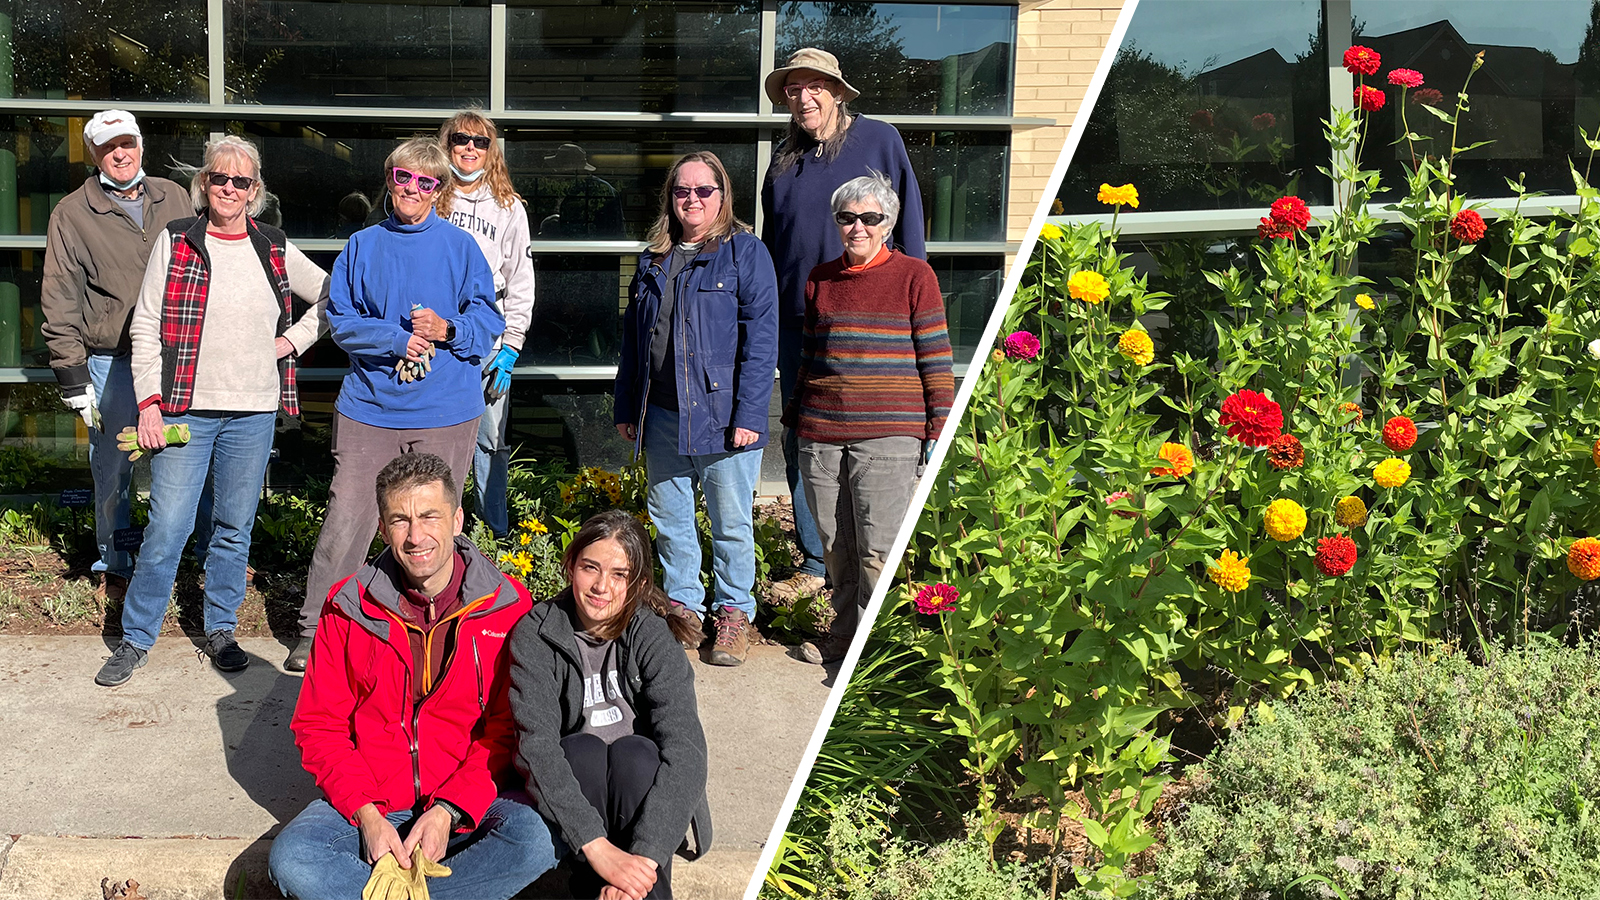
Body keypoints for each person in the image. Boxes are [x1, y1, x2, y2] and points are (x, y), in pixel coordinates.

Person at [93, 137, 328, 687]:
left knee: (232, 528)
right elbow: (146, 324)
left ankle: (220, 628)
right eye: (219, 178)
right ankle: (136, 638)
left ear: (255, 190)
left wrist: (292, 341)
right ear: (204, 184)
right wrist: (149, 401)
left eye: (240, 181)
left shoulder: (273, 245)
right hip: (185, 412)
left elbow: (336, 297)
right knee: (168, 527)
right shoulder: (178, 241)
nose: (228, 188)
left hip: (252, 412)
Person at [270, 453, 555, 899]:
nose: (416, 535)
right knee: (295, 861)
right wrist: (368, 816)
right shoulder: (349, 607)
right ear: (383, 529)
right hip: (375, 800)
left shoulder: (508, 605)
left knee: (537, 841)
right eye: (400, 520)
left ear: (458, 519)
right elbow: (319, 726)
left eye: (429, 516)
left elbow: (508, 728)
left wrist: (448, 810)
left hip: (469, 799)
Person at [287, 137, 504, 672]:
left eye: (426, 182)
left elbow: (488, 323)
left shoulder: (461, 249)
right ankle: (318, 629)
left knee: (434, 523)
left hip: (447, 410)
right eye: (403, 177)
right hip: (370, 410)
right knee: (349, 518)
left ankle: (438, 625)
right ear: (389, 180)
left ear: (439, 190)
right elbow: (339, 319)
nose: (413, 189)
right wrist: (395, 339)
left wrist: (448, 327)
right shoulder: (362, 246)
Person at [760, 48, 927, 608]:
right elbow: (775, 244)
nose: (803, 98)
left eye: (814, 87)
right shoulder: (783, 160)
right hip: (795, 318)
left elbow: (911, 230)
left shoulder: (880, 139)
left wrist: (913, 293)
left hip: (868, 317)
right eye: (792, 90)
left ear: (837, 92)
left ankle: (874, 564)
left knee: (873, 442)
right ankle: (818, 560)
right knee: (802, 436)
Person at [613, 151, 778, 667]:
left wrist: (751, 415)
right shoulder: (653, 258)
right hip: (660, 413)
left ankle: (733, 615)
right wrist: (627, 404)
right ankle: (684, 608)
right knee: (671, 520)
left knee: (730, 522)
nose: (692, 199)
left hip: (722, 418)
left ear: (722, 196)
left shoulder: (744, 253)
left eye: (704, 190)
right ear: (671, 198)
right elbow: (634, 342)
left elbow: (761, 342)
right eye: (682, 191)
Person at [784, 173, 952, 665]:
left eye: (869, 218)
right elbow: (810, 356)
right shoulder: (821, 278)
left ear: (887, 223)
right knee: (835, 546)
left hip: (889, 435)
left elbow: (936, 358)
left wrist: (937, 429)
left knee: (879, 549)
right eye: (847, 217)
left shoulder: (915, 276)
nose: (857, 226)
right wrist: (793, 416)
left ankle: (872, 650)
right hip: (821, 431)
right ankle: (843, 634)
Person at [509, 510, 710, 900]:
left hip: (642, 798)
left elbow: (686, 751)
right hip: (577, 803)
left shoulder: (650, 634)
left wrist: (640, 863)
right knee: (579, 750)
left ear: (638, 583)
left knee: (636, 753)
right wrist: (599, 850)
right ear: (570, 566)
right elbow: (537, 748)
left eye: (619, 574)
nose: (602, 586)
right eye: (590, 568)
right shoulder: (537, 633)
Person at [41, 110, 192, 603]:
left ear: (141, 145)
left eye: (127, 143)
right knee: (115, 470)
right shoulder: (71, 213)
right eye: (109, 147)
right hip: (113, 362)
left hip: (179, 356)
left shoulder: (174, 195)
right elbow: (59, 296)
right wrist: (72, 376)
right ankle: (117, 561)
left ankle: (203, 555)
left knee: (193, 459)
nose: (120, 154)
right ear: (94, 155)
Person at [436, 111, 535, 541]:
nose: (470, 148)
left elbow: (521, 281)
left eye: (480, 141)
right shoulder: (430, 195)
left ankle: (494, 535)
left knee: (490, 441)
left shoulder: (509, 206)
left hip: (491, 339)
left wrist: (512, 345)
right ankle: (445, 534)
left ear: (491, 150)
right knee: (440, 440)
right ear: (447, 144)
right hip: (438, 338)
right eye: (461, 139)